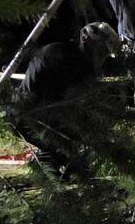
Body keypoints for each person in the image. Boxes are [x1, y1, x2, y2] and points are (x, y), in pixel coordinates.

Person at [6, 22, 122, 176]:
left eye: (105, 54)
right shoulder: (68, 61)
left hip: (28, 115)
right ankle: (50, 171)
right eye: (101, 50)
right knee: (72, 156)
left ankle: (55, 168)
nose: (101, 57)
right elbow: (66, 105)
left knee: (72, 153)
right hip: (31, 118)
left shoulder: (68, 56)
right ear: (85, 40)